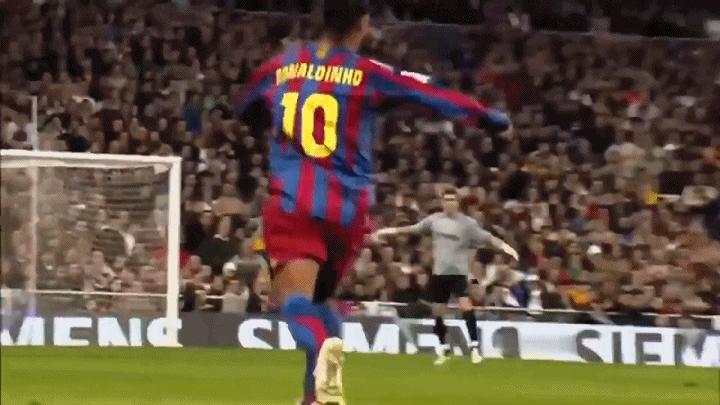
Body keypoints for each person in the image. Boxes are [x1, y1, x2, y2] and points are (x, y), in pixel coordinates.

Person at [235, 0, 512, 402]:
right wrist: (487, 116)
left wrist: (274, 124)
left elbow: (244, 106)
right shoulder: (369, 73)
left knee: (295, 300)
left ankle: (321, 349)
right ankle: (317, 397)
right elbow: (430, 95)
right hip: (348, 210)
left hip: (293, 202)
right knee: (321, 302)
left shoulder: (280, 67)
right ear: (362, 25)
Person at [372, 188, 518, 365]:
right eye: (446, 200)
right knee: (438, 311)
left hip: (458, 273)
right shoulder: (434, 221)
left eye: (452, 200)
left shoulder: (467, 223)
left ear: (457, 203)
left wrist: (506, 248)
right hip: (440, 274)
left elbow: (487, 237)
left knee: (466, 306)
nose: (449, 204)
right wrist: (387, 231)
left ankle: (474, 348)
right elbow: (410, 229)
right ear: (442, 203)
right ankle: (443, 349)